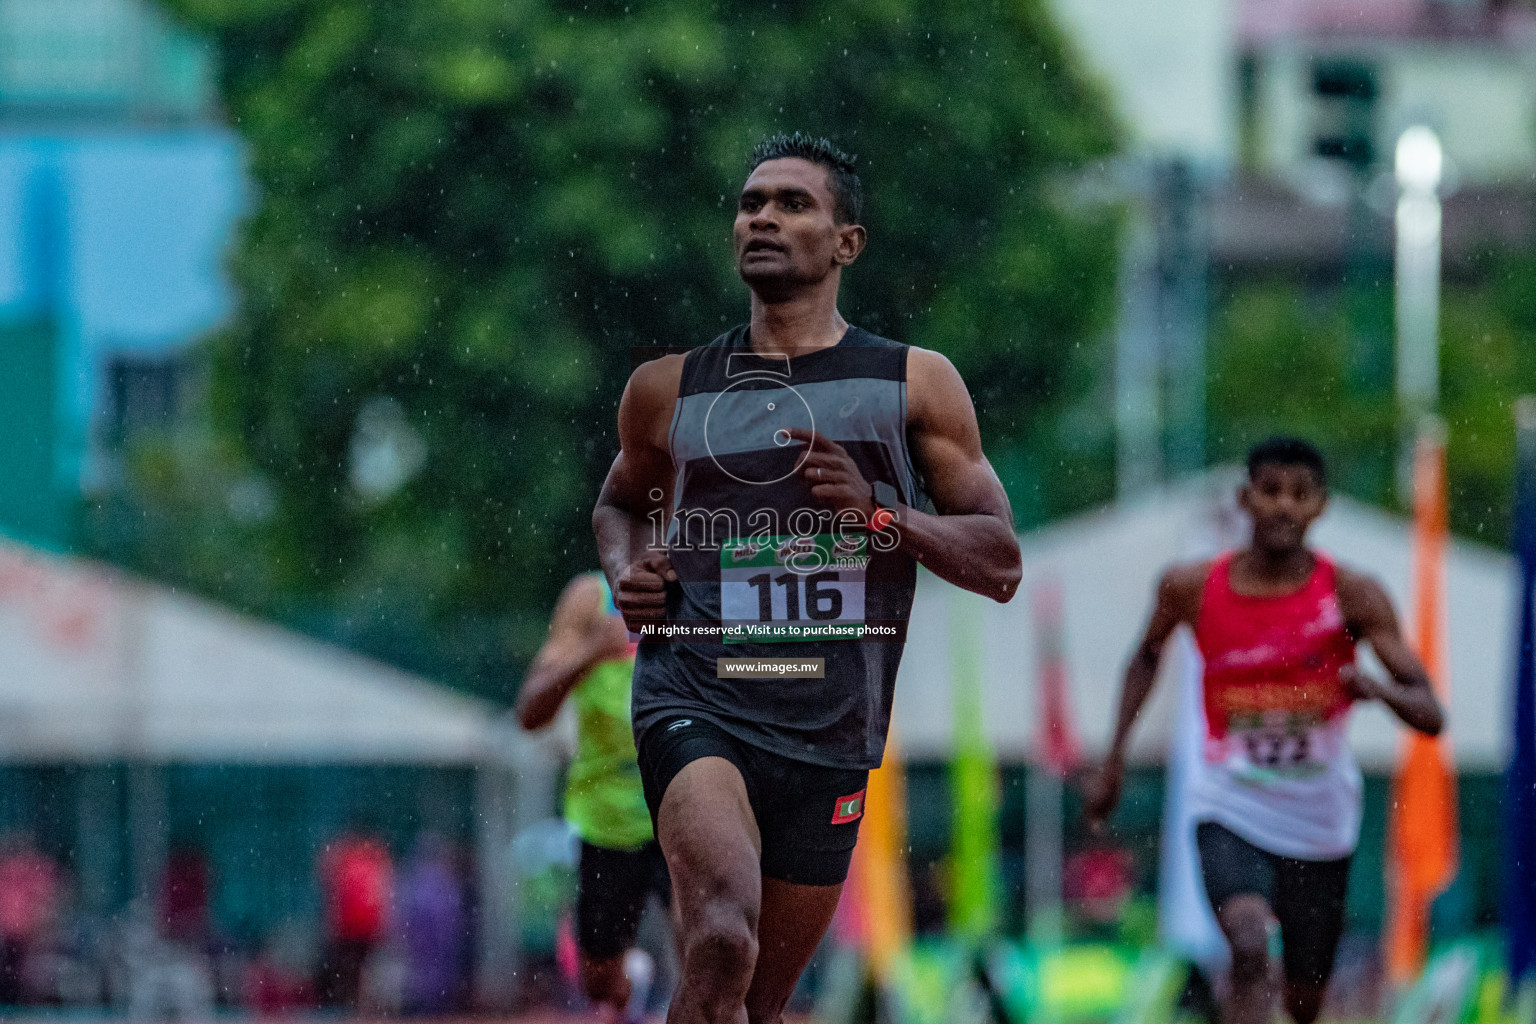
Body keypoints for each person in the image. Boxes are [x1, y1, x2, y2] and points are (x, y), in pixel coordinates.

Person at [593, 132, 1022, 1024]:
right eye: (751, 203)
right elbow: (619, 505)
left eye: (793, 204)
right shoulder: (667, 391)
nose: (763, 218)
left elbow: (1000, 562)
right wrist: (629, 572)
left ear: (846, 242)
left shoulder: (915, 385)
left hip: (831, 728)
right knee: (719, 937)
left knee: (755, 1003)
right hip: (699, 696)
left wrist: (878, 514)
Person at [1085, 437, 1445, 1024]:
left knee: (1305, 1001)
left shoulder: (1353, 595)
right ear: (1244, 499)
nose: (1283, 506)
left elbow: (1430, 712)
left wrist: (1377, 690)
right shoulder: (1191, 587)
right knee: (1249, 947)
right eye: (1270, 491)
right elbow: (1146, 654)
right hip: (1230, 801)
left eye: (1299, 495)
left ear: (1321, 507)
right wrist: (1115, 758)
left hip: (1319, 818)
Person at [517, 572, 666, 1024]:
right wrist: (591, 653)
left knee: (714, 939)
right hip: (610, 818)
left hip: (686, 804)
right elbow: (530, 714)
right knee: (598, 981)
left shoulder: (711, 582)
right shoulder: (591, 599)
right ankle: (629, 986)